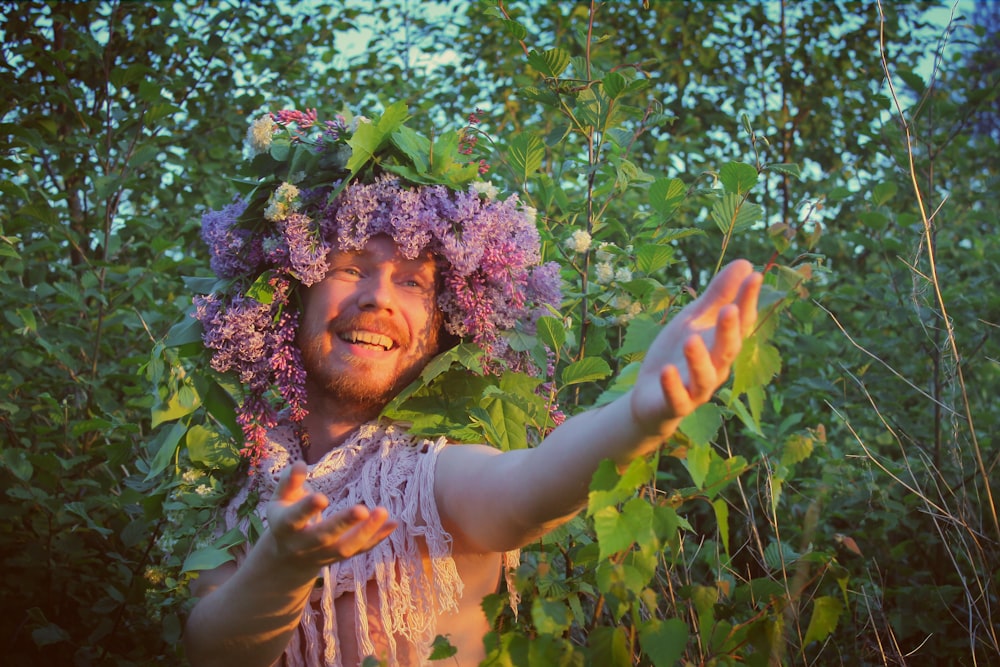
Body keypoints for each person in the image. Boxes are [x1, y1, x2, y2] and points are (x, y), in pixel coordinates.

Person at [179, 107, 763, 667]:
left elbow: (532, 485)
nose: (378, 296)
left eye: (412, 282)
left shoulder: (433, 476)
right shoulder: (250, 470)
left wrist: (638, 417)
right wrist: (279, 567)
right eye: (350, 268)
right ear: (292, 294)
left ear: (445, 329)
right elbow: (208, 652)